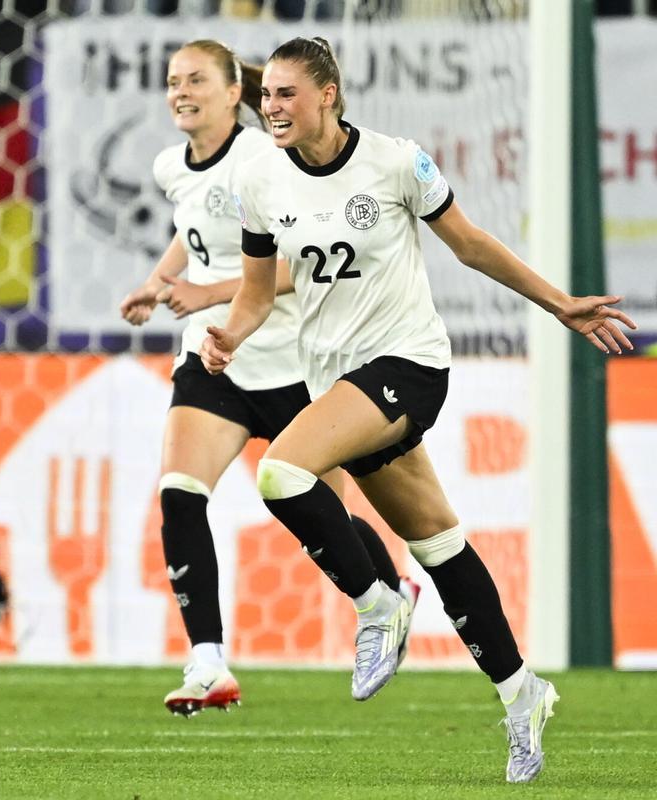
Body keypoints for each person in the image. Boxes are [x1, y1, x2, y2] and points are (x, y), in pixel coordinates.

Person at [204, 36, 635, 782]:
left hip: (409, 364)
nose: (270, 108)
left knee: (279, 474)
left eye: (285, 95)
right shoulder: (260, 181)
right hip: (336, 383)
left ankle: (376, 604)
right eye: (265, 95)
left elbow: (469, 245)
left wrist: (561, 304)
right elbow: (254, 288)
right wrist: (231, 336)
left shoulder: (397, 162)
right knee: (439, 545)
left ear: (328, 95)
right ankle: (521, 693)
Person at [118, 39, 418, 718]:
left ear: (233, 94)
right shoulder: (173, 166)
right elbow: (191, 227)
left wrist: (209, 291)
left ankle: (392, 591)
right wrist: (159, 283)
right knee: (179, 491)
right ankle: (207, 661)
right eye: (172, 81)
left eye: (196, 79)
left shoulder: (266, 160)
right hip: (218, 359)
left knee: (326, 509)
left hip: (293, 361)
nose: (180, 92)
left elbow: (298, 263)